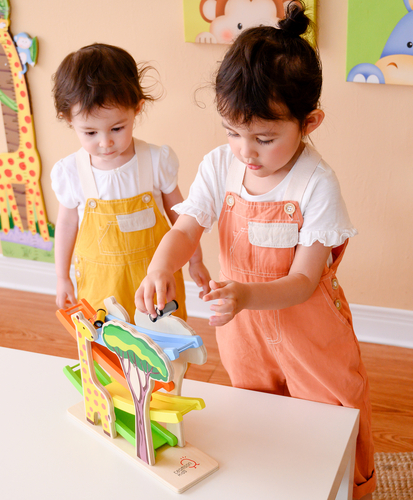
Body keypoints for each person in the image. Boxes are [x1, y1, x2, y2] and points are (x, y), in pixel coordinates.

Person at [135, 3, 375, 499]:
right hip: (243, 331)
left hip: (309, 330)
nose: (245, 151)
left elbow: (304, 281)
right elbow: (187, 227)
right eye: (232, 132)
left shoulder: (316, 184)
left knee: (331, 417)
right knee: (259, 417)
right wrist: (161, 264)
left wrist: (245, 295)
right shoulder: (220, 166)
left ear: (310, 123)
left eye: (264, 138)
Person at [51, 43, 210, 320]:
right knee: (106, 337)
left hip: (154, 282)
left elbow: (183, 218)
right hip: (101, 286)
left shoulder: (156, 161)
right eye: (90, 132)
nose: (105, 142)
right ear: (68, 120)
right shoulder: (71, 172)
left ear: (137, 109)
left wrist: (196, 260)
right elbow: (66, 225)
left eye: (117, 128)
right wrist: (61, 276)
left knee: (161, 338)